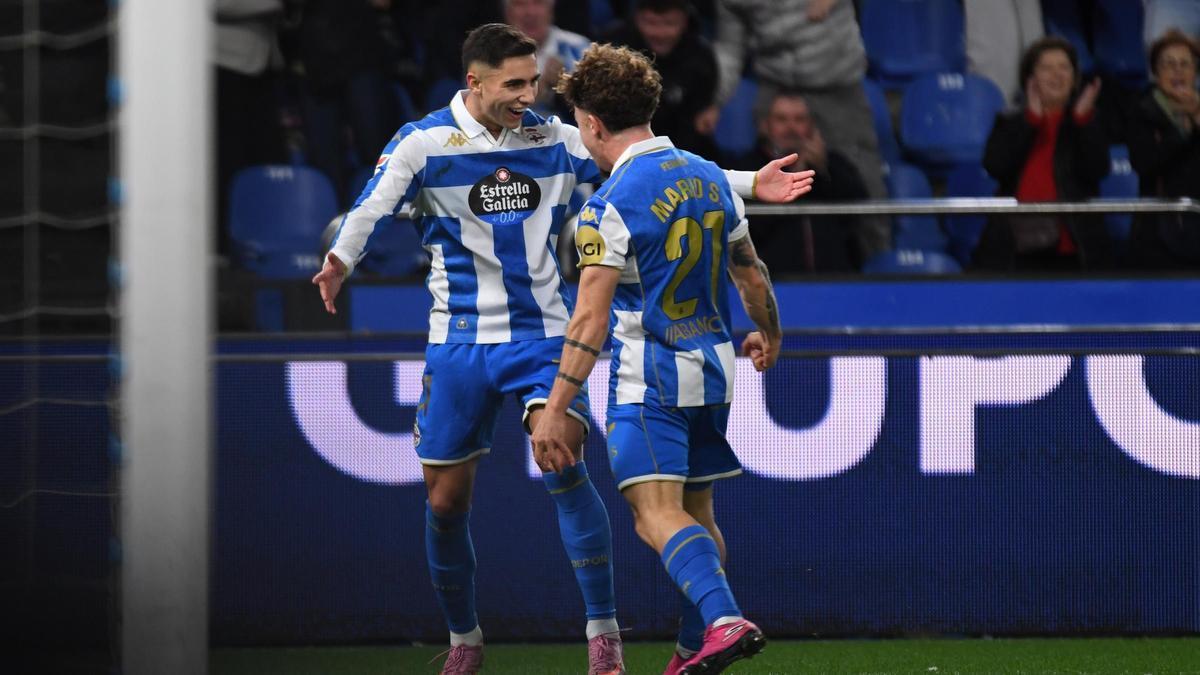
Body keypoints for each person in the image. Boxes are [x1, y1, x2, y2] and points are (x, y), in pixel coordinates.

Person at [309, 23, 813, 675]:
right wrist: (340, 258)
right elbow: (372, 206)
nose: (529, 96)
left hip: (545, 334)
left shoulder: (554, 139)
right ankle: (465, 638)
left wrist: (749, 182)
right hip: (458, 340)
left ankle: (604, 636)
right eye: (515, 84)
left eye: (535, 83)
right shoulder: (425, 142)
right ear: (476, 82)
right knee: (444, 501)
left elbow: (650, 167)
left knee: (564, 459)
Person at [533, 43, 786, 675]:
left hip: (649, 382)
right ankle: (687, 653)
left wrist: (556, 408)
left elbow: (589, 320)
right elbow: (751, 276)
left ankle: (724, 620)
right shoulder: (708, 177)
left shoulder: (608, 205)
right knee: (696, 516)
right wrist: (769, 335)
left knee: (654, 517)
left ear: (591, 122)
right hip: (715, 372)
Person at [706, 0, 891, 261]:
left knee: (861, 180)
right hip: (775, 80)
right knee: (762, 175)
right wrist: (715, 100)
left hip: (836, 85)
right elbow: (729, 48)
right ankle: (762, 267)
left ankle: (879, 267)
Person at [977, 36, 1112, 271]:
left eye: (1064, 68)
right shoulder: (1010, 121)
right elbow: (995, 166)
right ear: (1031, 78)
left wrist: (1082, 121)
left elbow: (1098, 170)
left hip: (1073, 248)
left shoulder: (1087, 121)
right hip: (1016, 249)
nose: (1056, 75)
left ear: (1074, 78)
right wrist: (1030, 121)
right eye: (1046, 68)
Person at [735, 90, 869, 274]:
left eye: (799, 120)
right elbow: (749, 226)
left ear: (811, 126)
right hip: (773, 281)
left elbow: (859, 210)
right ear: (766, 126)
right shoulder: (749, 168)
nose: (791, 128)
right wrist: (792, 177)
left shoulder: (832, 164)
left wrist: (824, 170)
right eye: (781, 120)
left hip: (835, 280)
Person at [602, 0, 721, 157]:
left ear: (684, 21)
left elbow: (701, 118)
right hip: (625, 151)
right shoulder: (613, 49)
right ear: (637, 18)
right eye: (650, 22)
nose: (659, 33)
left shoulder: (701, 56)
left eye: (669, 23)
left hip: (684, 151)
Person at [1127, 29, 1200, 268]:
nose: (1178, 70)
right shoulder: (1141, 112)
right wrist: (1182, 130)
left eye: (1185, 64)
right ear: (1156, 73)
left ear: (1195, 72)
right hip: (1158, 234)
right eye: (1169, 64)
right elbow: (1145, 164)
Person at [504, 0, 592, 117]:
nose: (530, 12)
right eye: (520, 4)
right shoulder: (490, 54)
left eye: (538, 3)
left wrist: (567, 88)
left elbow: (604, 108)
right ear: (508, 13)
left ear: (551, 9)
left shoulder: (580, 49)